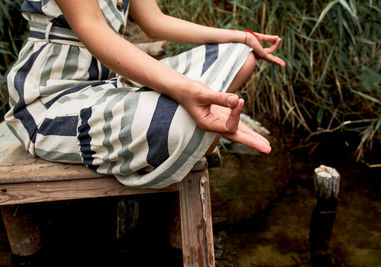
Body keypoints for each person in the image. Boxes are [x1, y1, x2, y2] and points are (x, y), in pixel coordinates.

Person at [6, 0, 285, 188]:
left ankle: (172, 119)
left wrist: (240, 36)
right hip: (53, 96)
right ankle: (174, 120)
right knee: (184, 126)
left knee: (240, 56)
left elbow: (155, 22)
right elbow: (93, 27)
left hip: (113, 86)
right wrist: (182, 88)